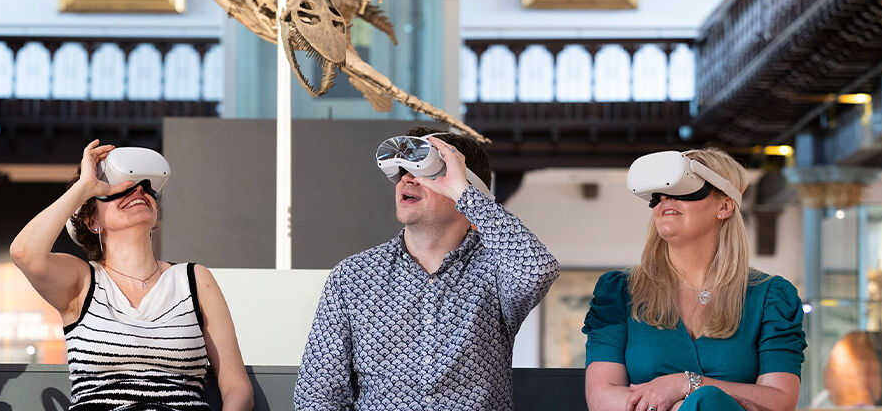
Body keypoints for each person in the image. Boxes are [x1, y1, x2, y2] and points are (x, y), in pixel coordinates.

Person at [294, 127, 560, 410]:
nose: (407, 179)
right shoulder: (353, 278)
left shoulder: (496, 270)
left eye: (427, 170)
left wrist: (467, 195)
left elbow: (538, 270)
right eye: (401, 170)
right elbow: (317, 395)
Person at [10, 140, 253, 410]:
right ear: (92, 222)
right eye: (120, 188)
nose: (138, 189)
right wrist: (84, 187)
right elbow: (24, 253)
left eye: (146, 186)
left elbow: (236, 387)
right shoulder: (82, 281)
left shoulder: (195, 280)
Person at [583, 149, 805, 411]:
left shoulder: (772, 298)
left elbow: (780, 400)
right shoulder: (618, 292)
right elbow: (601, 397)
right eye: (659, 195)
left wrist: (688, 384)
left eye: (683, 190)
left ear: (724, 206)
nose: (666, 200)